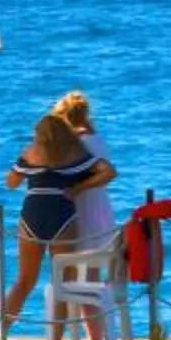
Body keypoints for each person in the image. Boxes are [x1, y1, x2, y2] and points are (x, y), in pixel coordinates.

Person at [0, 110, 118, 340]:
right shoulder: (74, 154)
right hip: (62, 214)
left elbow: (11, 183)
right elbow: (108, 172)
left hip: (32, 214)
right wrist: (79, 188)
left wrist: (25, 172)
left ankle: (0, 337)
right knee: (62, 283)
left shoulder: (31, 153)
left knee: (24, 280)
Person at [56, 91, 119, 254]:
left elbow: (108, 174)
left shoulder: (79, 143)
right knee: (94, 264)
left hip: (83, 205)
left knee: (82, 262)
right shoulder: (95, 137)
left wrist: (77, 189)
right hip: (100, 203)